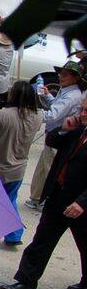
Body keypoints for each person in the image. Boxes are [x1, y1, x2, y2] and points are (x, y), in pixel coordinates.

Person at [1, 97, 87, 289]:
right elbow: (52, 141)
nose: (82, 114)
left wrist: (82, 203)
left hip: (81, 204)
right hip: (58, 196)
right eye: (82, 110)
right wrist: (63, 128)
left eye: (86, 111)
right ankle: (26, 281)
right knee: (42, 241)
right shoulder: (78, 130)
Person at [0, 82, 43, 252]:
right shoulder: (38, 116)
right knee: (10, 201)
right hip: (18, 169)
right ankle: (14, 235)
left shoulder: (1, 115)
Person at [25, 60, 85, 211]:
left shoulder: (72, 96)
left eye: (65, 74)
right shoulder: (66, 91)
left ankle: (40, 199)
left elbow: (53, 115)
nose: (61, 77)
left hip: (59, 138)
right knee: (43, 169)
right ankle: (38, 198)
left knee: (47, 170)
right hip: (53, 135)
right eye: (61, 73)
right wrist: (47, 97)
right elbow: (57, 107)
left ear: (75, 78)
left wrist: (33, 114)